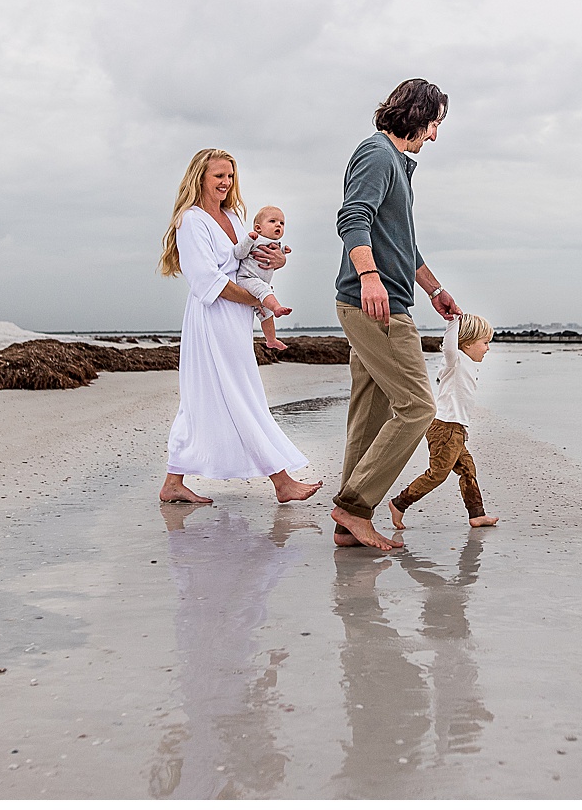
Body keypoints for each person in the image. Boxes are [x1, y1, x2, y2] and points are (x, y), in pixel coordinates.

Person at [331, 78, 461, 550]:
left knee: (371, 412)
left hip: (384, 298)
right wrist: (369, 277)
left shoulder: (397, 166)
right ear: (418, 116)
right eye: (435, 124)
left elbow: (403, 244)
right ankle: (355, 506)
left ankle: (348, 524)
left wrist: (434, 289)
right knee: (418, 406)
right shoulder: (376, 154)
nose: (434, 135)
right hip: (375, 301)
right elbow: (353, 216)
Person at [157, 149, 322, 506]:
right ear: (200, 177)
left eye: (230, 176)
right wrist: (259, 301)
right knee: (241, 395)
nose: (226, 183)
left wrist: (278, 259)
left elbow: (250, 263)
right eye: (218, 176)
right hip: (212, 318)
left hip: (236, 318)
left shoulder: (233, 215)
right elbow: (206, 281)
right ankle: (281, 481)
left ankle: (173, 482)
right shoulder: (191, 220)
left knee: (202, 398)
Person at [388, 313, 499, 529]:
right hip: (444, 428)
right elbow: (449, 347)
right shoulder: (455, 360)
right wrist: (453, 322)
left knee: (468, 469)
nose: (488, 348)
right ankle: (399, 503)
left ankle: (477, 514)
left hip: (455, 429)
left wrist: (462, 430)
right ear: (466, 343)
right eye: (485, 343)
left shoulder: (468, 364)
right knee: (438, 474)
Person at [232, 205, 293, 351]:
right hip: (247, 279)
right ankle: (277, 306)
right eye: (272, 221)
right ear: (258, 228)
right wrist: (248, 240)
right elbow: (238, 254)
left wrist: (284, 252)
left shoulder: (276, 244)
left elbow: (275, 255)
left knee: (266, 313)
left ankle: (271, 340)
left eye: (282, 223)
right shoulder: (255, 239)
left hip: (259, 283)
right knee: (265, 291)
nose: (278, 225)